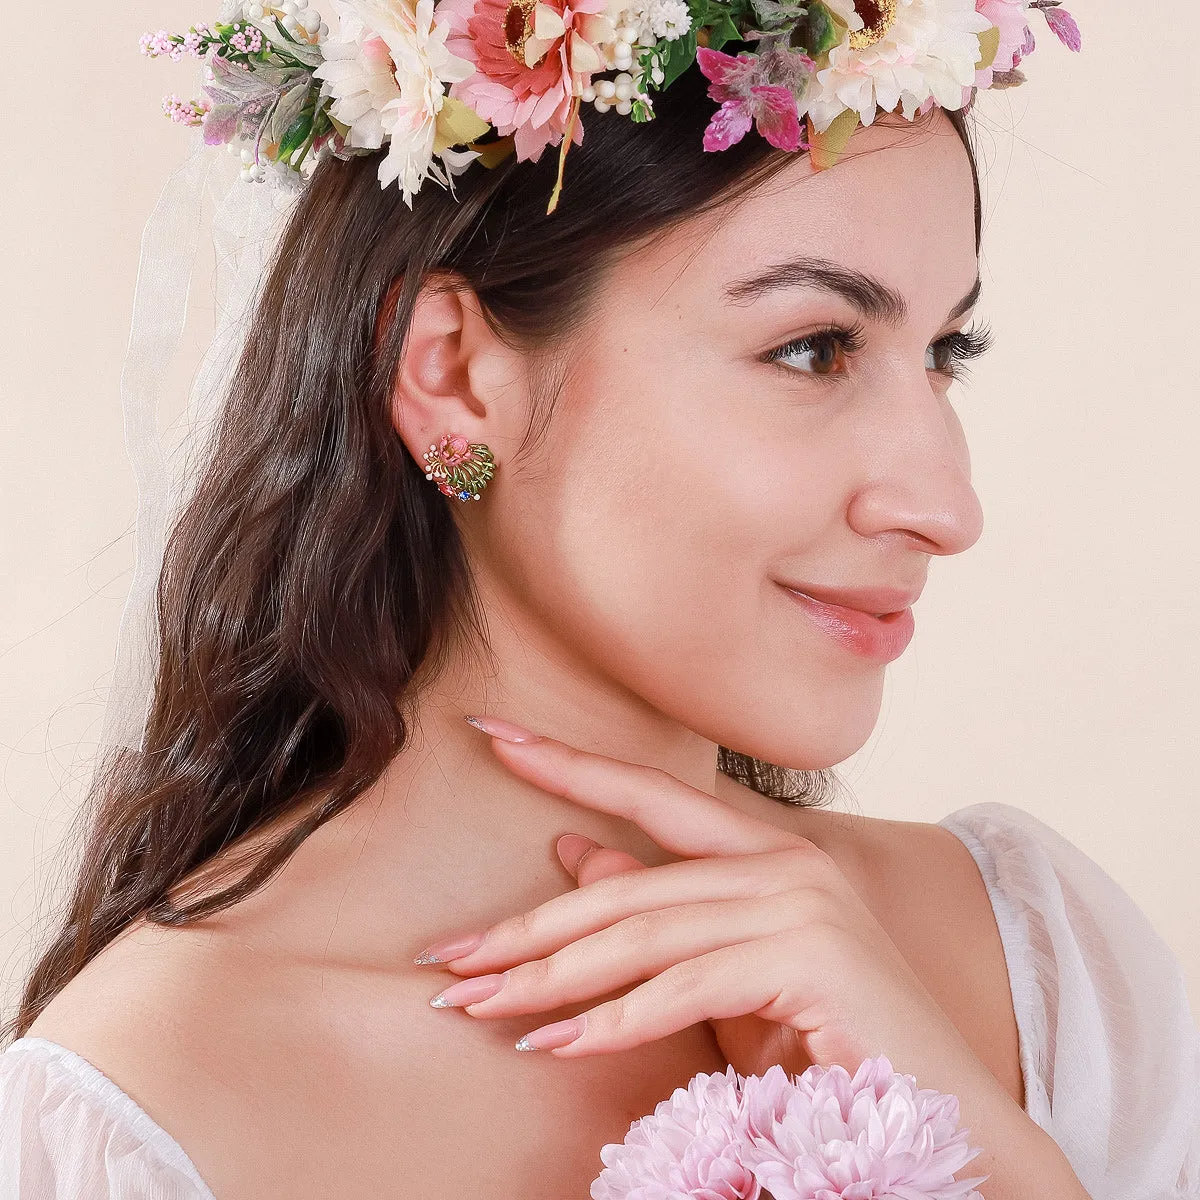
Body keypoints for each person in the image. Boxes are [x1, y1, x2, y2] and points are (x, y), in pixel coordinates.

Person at [1, 1, 1197, 1197]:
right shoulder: (148, 1114)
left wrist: (980, 1138)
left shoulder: (1040, 970)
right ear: (456, 376)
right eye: (815, 349)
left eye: (944, 353)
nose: (946, 506)